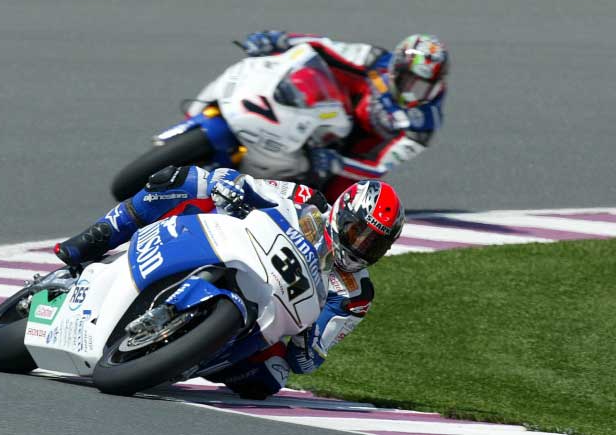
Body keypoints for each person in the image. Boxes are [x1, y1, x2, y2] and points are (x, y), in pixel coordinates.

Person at [55, 165, 405, 399]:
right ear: (342, 213)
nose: (360, 247)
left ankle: (186, 353)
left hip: (267, 315)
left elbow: (307, 361)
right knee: (185, 179)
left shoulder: (356, 295)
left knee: (271, 377)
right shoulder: (307, 200)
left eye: (373, 244)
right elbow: (252, 185)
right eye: (358, 234)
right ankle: (97, 237)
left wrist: (306, 340)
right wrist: (229, 186)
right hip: (235, 244)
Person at [241, 30, 449, 201]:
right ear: (395, 69)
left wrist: (337, 162)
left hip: (357, 152)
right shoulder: (373, 58)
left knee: (335, 199)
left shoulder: (423, 126)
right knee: (302, 79)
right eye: (408, 81)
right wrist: (280, 40)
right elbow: (324, 46)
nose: (412, 93)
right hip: (334, 107)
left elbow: (378, 167)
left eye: (422, 87)